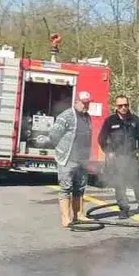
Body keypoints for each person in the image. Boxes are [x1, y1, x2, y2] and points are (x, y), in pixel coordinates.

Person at [44, 90, 95, 228]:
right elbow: (54, 135)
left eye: (88, 103)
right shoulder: (66, 116)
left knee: (80, 188)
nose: (86, 106)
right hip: (68, 158)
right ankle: (66, 218)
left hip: (82, 159)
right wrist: (61, 149)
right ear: (76, 102)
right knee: (66, 188)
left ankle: (79, 215)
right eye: (84, 103)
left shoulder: (87, 117)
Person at [98, 94, 139, 217]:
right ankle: (124, 209)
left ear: (128, 105)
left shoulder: (135, 120)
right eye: (120, 105)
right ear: (115, 106)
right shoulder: (110, 121)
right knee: (119, 184)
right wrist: (108, 152)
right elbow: (101, 138)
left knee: (137, 183)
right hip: (117, 158)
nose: (123, 107)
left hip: (132, 158)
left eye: (125, 105)